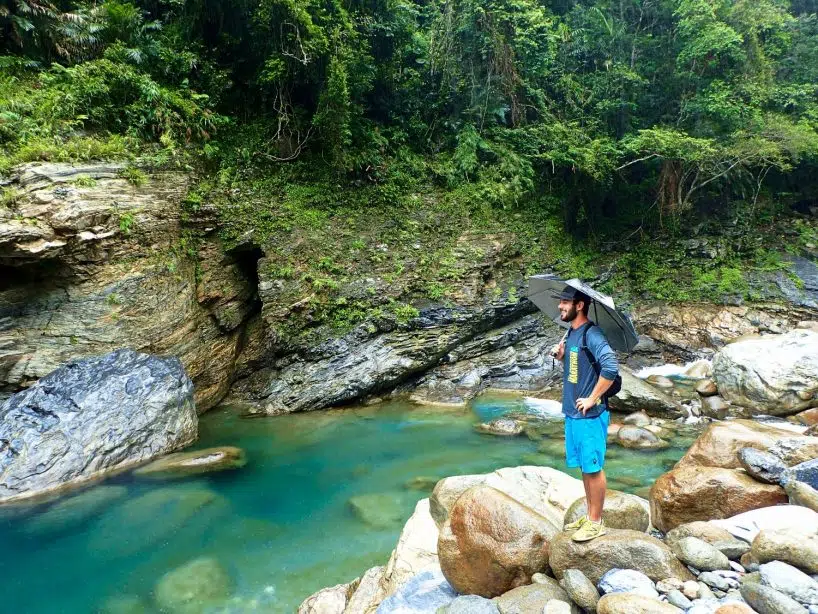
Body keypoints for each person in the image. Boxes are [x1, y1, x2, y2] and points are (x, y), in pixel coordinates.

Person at [551, 285, 619, 542]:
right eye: (561, 301)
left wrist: (593, 398)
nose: (561, 306)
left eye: (566, 302)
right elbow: (577, 369)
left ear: (580, 305)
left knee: (593, 467)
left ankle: (596, 521)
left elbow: (610, 367)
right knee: (584, 467)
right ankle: (591, 515)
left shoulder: (593, 334)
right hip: (573, 412)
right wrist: (561, 357)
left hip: (590, 415)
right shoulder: (572, 333)